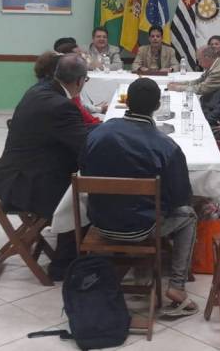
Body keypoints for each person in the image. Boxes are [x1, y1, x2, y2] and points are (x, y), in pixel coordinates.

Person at [81, 78, 199, 317]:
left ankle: (131, 270)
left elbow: (84, 169)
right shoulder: (166, 146)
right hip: (143, 228)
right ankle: (177, 286)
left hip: (100, 223)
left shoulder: (98, 133)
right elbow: (180, 197)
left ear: (127, 103)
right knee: (189, 215)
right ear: (157, 106)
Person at [0, 54, 90, 279]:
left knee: (78, 176)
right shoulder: (61, 106)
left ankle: (75, 252)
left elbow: (74, 135)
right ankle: (63, 264)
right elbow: (84, 145)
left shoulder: (39, 90)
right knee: (81, 190)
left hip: (13, 173)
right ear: (79, 81)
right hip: (24, 184)